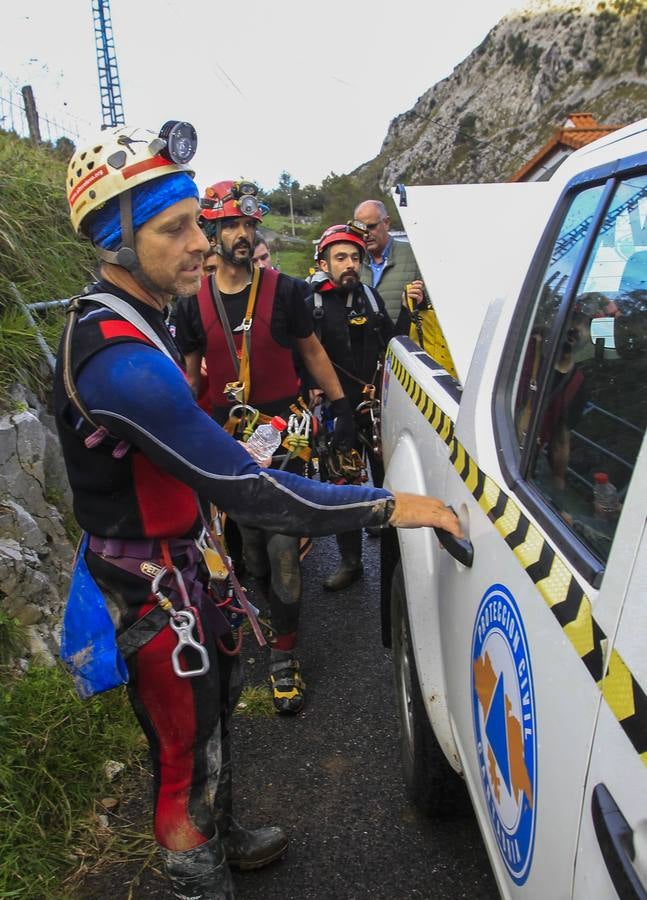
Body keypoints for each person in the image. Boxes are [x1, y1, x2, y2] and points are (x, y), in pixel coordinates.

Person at [55, 123, 460, 900]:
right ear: (115, 242)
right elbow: (256, 490)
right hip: (151, 583)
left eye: (197, 225)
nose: (200, 246)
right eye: (174, 230)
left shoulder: (136, 313)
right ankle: (198, 877)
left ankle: (227, 836)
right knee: (182, 753)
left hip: (176, 559)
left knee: (210, 714)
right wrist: (391, 503)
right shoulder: (120, 359)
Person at [173, 179, 356, 716]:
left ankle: (283, 657)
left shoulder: (289, 291)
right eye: (231, 224)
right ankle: (260, 611)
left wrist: (342, 409)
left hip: (282, 435)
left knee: (283, 549)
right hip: (224, 442)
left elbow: (312, 351)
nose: (243, 234)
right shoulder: (191, 305)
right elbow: (187, 382)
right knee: (248, 550)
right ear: (211, 231)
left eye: (249, 225)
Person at [304, 222, 410, 590]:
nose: (349, 263)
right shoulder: (311, 301)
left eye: (354, 257)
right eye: (340, 257)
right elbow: (299, 355)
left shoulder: (370, 295)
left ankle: (395, 547)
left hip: (375, 406)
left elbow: (394, 341)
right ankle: (351, 562)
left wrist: (411, 310)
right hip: (336, 411)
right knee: (340, 484)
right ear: (324, 262)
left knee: (388, 475)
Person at [354, 199, 457, 376]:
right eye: (360, 229)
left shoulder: (415, 255)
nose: (365, 234)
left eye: (370, 227)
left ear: (386, 223)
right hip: (366, 362)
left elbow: (438, 304)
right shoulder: (353, 263)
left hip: (408, 361)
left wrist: (421, 298)